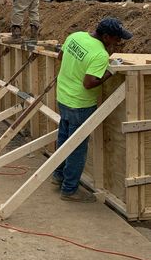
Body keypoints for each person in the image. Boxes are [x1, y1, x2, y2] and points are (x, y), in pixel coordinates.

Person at [52, 17, 132, 202]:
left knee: (64, 139)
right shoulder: (100, 55)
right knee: (77, 148)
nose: (118, 42)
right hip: (80, 104)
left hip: (63, 97)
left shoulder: (75, 36)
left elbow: (61, 57)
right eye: (116, 39)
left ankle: (58, 176)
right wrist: (110, 71)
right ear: (105, 36)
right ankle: (70, 190)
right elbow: (89, 83)